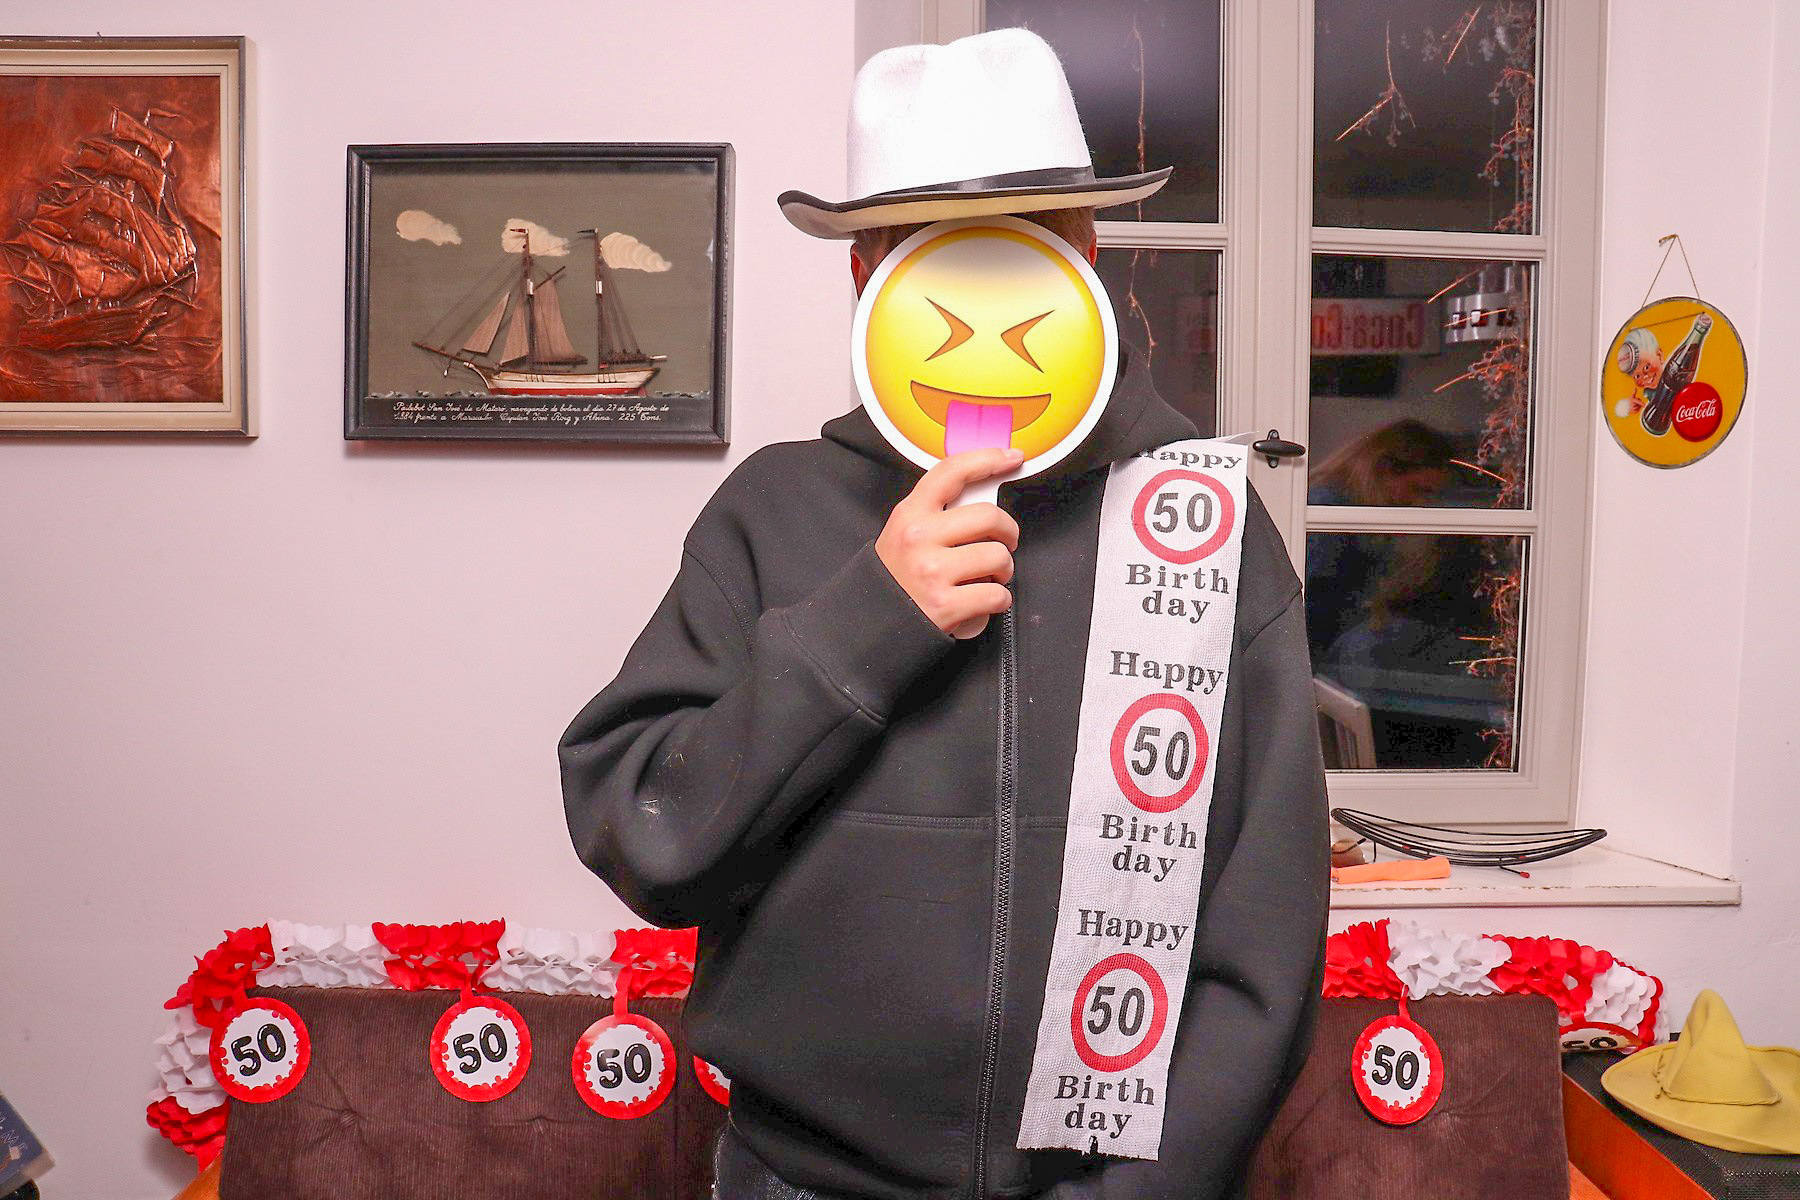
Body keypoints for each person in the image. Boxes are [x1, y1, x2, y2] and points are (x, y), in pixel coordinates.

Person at [559, 28, 1328, 1200]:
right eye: (929, 252)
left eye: (1024, 242)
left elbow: (1262, 925)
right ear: (867, 275)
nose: (981, 296)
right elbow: (649, 839)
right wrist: (868, 619)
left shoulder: (1202, 523)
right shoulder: (772, 512)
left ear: (1084, 253)